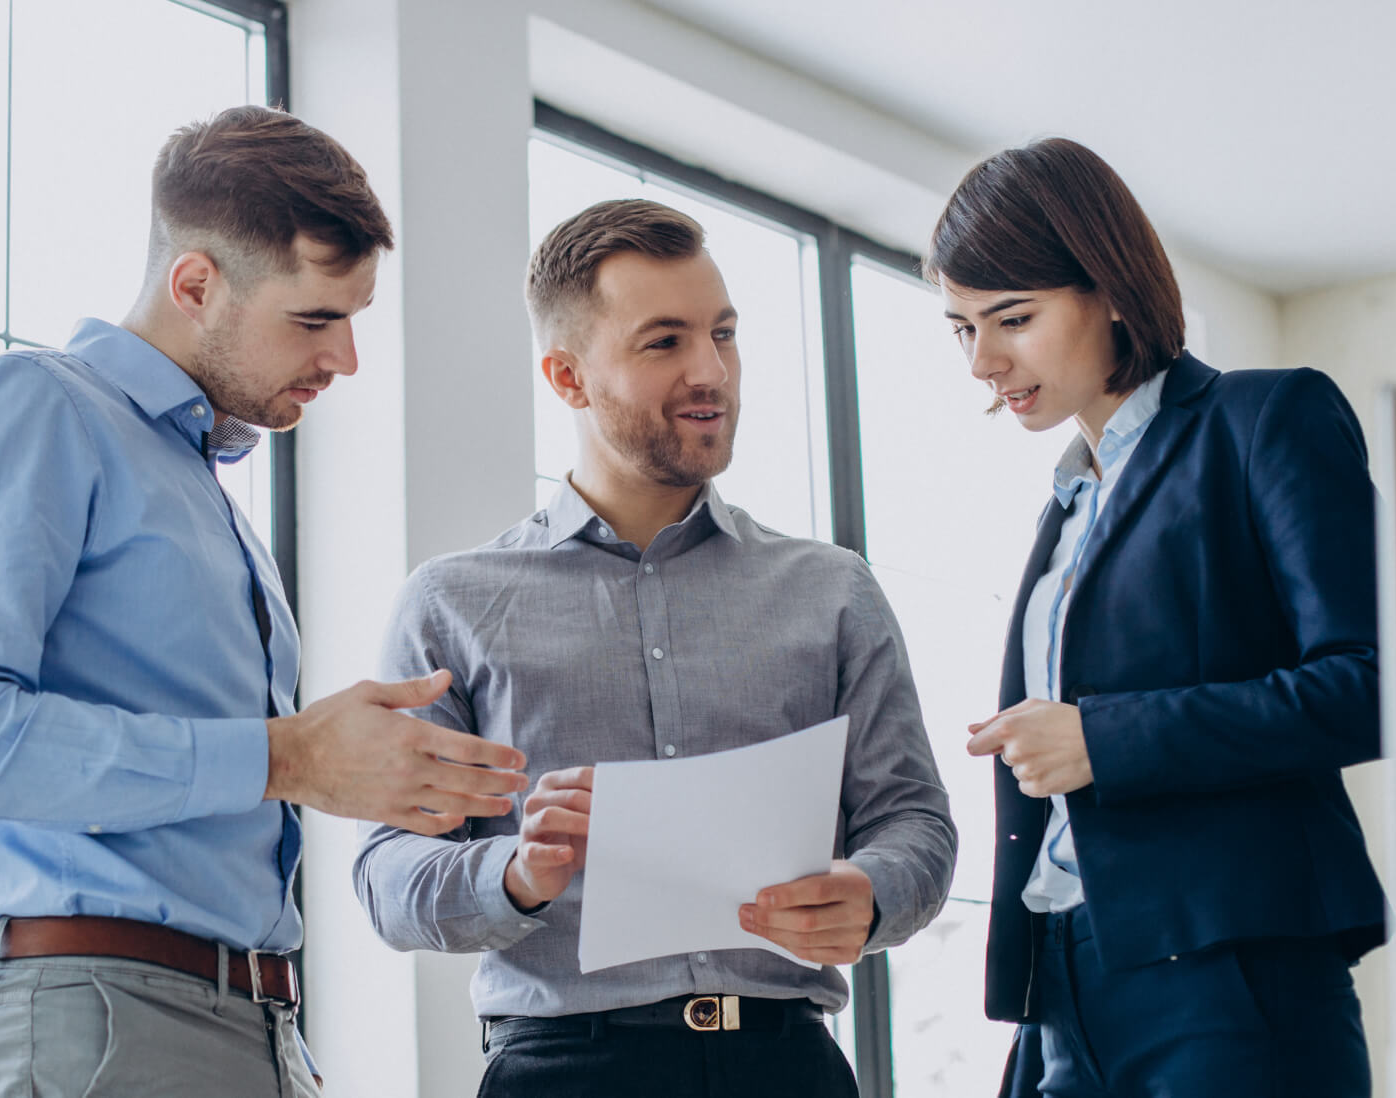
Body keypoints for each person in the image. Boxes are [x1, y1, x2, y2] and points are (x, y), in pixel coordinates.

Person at [0, 105, 528, 1098]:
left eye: (352, 319)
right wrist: (291, 756)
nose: (344, 359)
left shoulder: (199, 489)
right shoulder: (36, 409)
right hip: (99, 1025)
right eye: (315, 319)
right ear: (195, 283)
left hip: (254, 1030)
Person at [353, 198, 957, 1098]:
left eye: (723, 334)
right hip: (562, 1071)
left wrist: (869, 893)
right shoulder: (452, 603)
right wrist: (514, 872)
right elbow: (386, 875)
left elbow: (916, 823)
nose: (710, 370)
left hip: (788, 1064)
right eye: (664, 341)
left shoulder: (831, 590)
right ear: (567, 377)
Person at [929, 138, 1386, 1098]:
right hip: (1063, 976)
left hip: (1228, 975)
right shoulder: (1063, 509)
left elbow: (1367, 684)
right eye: (961, 327)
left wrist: (1105, 738)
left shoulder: (1265, 421)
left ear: (1113, 286)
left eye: (1012, 317)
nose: (984, 360)